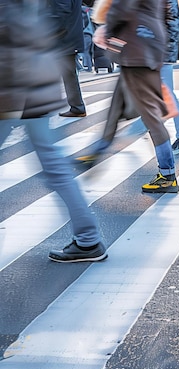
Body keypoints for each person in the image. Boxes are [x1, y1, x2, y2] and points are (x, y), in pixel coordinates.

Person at [0, 0, 107, 262]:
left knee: (53, 163)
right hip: (34, 80)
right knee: (53, 163)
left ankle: (88, 238)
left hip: (13, 84)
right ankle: (88, 238)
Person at [98, 0, 179, 193]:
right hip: (149, 46)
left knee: (151, 116)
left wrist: (108, 32)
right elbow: (167, 15)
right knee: (119, 103)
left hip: (136, 48)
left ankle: (168, 175)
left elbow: (121, 7)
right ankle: (99, 147)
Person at [48, 0, 89, 117]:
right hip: (69, 37)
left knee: (66, 74)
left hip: (64, 39)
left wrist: (48, 32)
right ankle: (77, 106)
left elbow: (61, 13)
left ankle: (77, 107)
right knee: (68, 74)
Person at [162, 0, 179, 155]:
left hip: (162, 54)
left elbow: (170, 27)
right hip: (159, 52)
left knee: (169, 95)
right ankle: (153, 125)